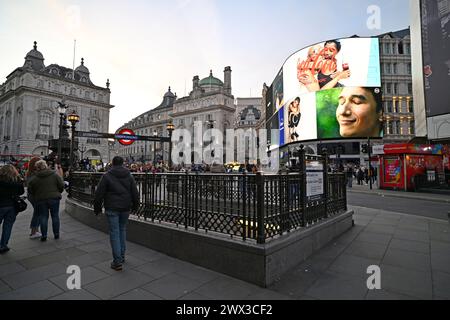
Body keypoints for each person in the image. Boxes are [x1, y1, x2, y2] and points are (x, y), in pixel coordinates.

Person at [94, 156, 139, 271]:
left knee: (114, 232)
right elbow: (135, 192)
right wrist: (135, 205)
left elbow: (99, 194)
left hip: (112, 208)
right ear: (123, 163)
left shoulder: (107, 176)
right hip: (125, 207)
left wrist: (97, 209)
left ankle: (117, 261)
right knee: (122, 229)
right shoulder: (129, 175)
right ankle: (122, 256)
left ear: (112, 164)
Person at [27, 160, 64, 242]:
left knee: (43, 217)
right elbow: (61, 185)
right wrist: (58, 192)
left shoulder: (34, 178)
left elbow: (30, 190)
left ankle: (44, 236)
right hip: (54, 198)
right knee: (55, 216)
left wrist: (37, 194)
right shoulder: (54, 175)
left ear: (37, 168)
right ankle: (56, 234)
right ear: (45, 166)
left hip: (41, 200)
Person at [0, 165, 25, 253]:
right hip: (11, 206)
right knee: (8, 226)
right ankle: (3, 246)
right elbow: (21, 192)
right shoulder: (17, 181)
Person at [25, 156, 42, 239]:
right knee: (37, 213)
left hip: (31, 195)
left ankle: (36, 230)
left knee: (37, 212)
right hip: (35, 196)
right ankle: (33, 232)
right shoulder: (35, 174)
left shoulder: (29, 173)